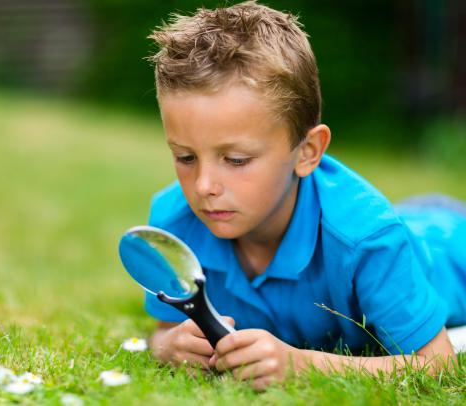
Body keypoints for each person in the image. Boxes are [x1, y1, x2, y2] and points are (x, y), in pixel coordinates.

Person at [141, 1, 465, 390]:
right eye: (185, 157)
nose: (204, 185)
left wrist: (300, 364)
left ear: (307, 152)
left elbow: (438, 365)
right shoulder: (173, 224)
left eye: (237, 159)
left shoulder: (369, 240)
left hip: (448, 245)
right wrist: (167, 346)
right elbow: (164, 330)